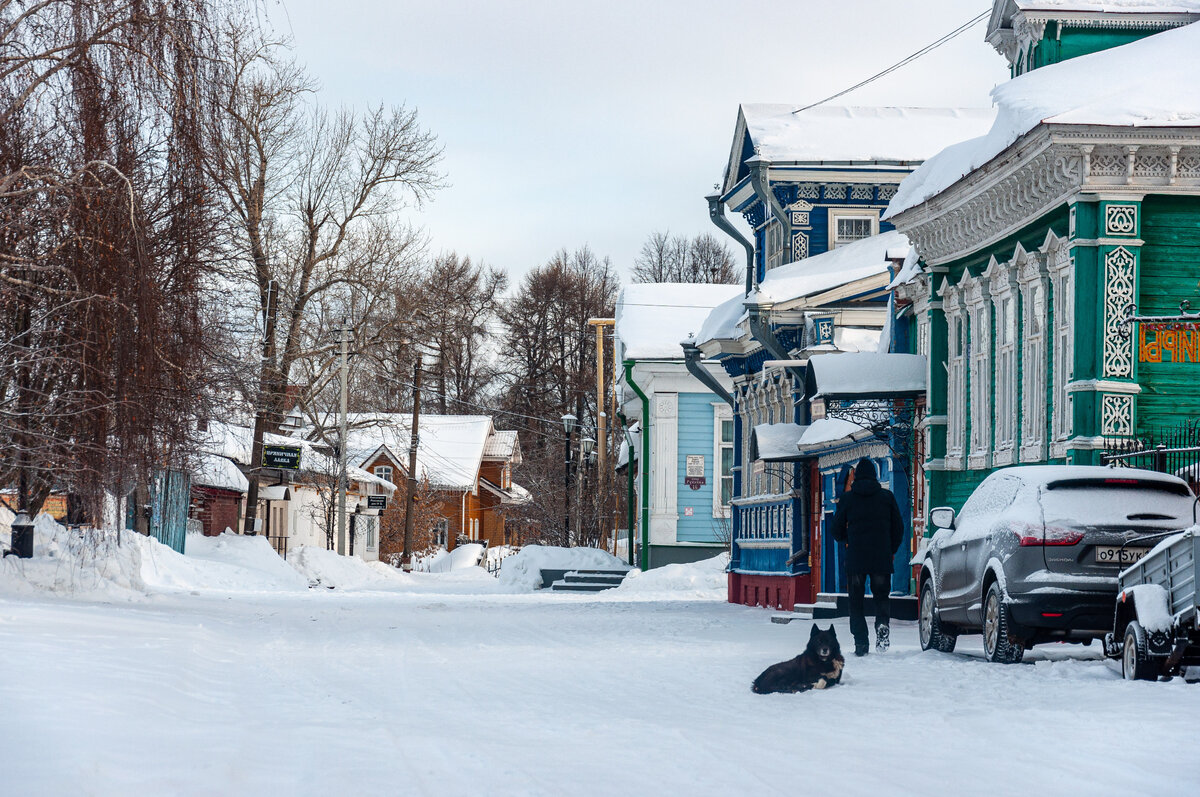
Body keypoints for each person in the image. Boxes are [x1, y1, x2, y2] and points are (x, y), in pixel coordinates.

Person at [830, 457, 904, 657]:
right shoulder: (886, 497)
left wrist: (849, 539)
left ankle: (861, 642)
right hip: (881, 557)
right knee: (881, 596)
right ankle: (882, 626)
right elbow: (899, 527)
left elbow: (835, 530)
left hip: (856, 559)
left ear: (856, 477)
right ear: (875, 475)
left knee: (856, 601)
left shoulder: (847, 499)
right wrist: (891, 549)